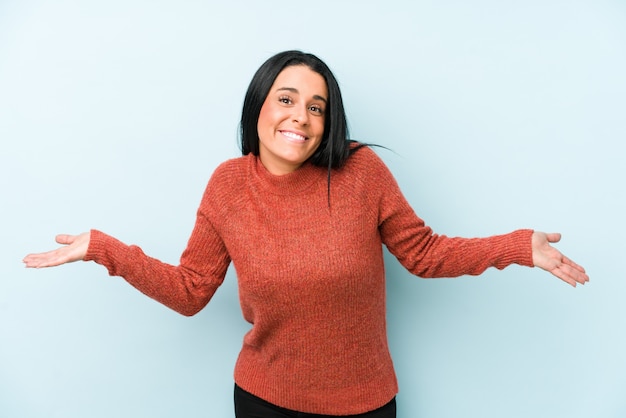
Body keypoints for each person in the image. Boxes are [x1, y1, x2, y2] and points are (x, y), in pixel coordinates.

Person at [23, 50, 589, 418]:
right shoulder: (227, 186)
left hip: (366, 404)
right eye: (287, 100)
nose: (301, 118)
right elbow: (191, 289)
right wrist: (104, 250)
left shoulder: (361, 171)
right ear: (260, 107)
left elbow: (422, 252)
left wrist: (517, 247)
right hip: (266, 401)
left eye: (317, 107)